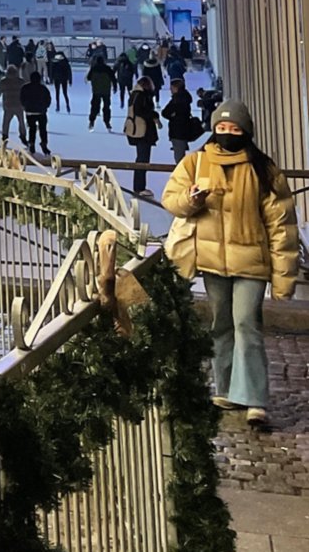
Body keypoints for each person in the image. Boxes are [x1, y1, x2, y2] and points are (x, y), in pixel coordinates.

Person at [162, 101, 299, 428]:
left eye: (235, 129)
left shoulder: (263, 170)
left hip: (251, 262)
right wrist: (191, 200)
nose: (227, 134)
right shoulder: (195, 162)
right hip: (212, 262)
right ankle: (226, 389)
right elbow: (171, 199)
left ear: (246, 132)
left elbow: (282, 227)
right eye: (221, 128)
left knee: (246, 324)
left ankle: (254, 399)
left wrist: (283, 279)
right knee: (221, 325)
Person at [123, 75, 159, 195]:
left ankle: (139, 186)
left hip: (138, 129)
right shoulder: (141, 96)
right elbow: (140, 111)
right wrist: (153, 114)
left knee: (141, 157)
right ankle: (139, 187)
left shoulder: (136, 94)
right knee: (142, 158)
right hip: (142, 130)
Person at [162, 76, 200, 165]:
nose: (170, 90)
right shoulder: (186, 97)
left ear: (176, 88)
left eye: (171, 88)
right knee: (181, 154)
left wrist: (172, 116)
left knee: (179, 157)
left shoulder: (176, 99)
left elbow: (165, 112)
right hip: (185, 129)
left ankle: (182, 176)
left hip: (177, 130)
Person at [20, 66, 52, 159]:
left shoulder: (25, 87)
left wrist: (25, 107)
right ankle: (44, 144)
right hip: (41, 112)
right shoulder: (43, 88)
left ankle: (32, 144)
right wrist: (45, 107)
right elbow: (48, 99)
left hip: (29, 111)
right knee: (43, 129)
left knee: (32, 129)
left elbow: (22, 99)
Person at [87, 50, 114, 130]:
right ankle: (107, 122)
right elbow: (113, 78)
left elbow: (88, 78)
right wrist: (115, 86)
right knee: (106, 107)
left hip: (96, 91)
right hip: (106, 91)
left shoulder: (94, 68)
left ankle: (92, 121)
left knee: (94, 106)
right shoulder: (107, 68)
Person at [0, 63, 25, 145]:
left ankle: (5, 136)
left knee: (6, 122)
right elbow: (25, 92)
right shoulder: (21, 81)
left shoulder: (3, 81)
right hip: (19, 104)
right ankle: (23, 135)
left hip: (8, 104)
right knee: (21, 121)